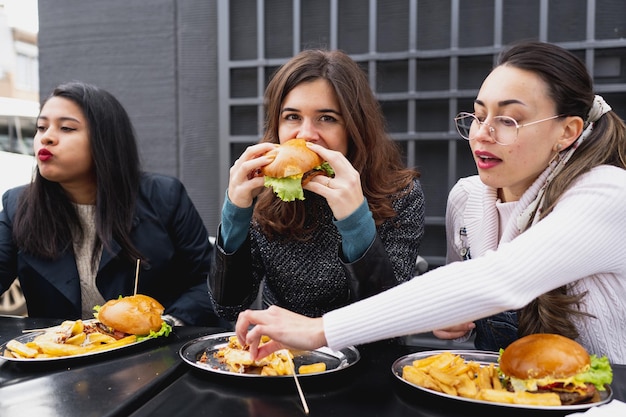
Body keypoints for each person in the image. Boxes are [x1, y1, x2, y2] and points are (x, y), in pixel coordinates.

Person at [234, 41, 626, 365]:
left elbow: (496, 281)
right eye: (478, 115)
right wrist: (456, 318)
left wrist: (318, 330)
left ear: (568, 131)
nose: (481, 134)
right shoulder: (469, 198)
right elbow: (466, 295)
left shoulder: (607, 194)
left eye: (508, 120)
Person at [208, 49, 425, 321]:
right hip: (281, 355)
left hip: (367, 356)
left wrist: (355, 221)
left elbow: (387, 319)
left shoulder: (401, 194)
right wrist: (235, 215)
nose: (307, 135)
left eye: (327, 118)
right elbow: (228, 308)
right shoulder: (264, 191)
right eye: (292, 117)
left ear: (354, 127)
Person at [0, 81, 223, 327]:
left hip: (153, 356)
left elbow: (211, 284)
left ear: (105, 140)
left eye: (66, 128)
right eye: (41, 127)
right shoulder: (17, 205)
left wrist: (165, 324)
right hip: (58, 358)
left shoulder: (164, 197)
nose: (47, 138)